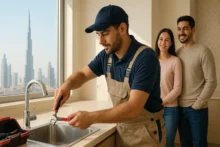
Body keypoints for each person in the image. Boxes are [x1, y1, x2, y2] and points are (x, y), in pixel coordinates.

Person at [53, 4, 165, 147]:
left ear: (122, 29)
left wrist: (91, 117)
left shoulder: (145, 57)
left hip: (147, 134)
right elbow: (82, 74)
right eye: (98, 34)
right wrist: (67, 85)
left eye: (105, 33)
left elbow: (133, 108)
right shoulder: (106, 56)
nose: (100, 41)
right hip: (122, 130)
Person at [176, 15, 217, 147]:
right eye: (179, 29)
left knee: (200, 144)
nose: (181, 32)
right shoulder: (177, 53)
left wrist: (197, 104)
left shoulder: (203, 51)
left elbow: (211, 81)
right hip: (179, 109)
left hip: (197, 110)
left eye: (185, 28)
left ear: (193, 30)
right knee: (185, 144)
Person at [155, 28, 182, 147]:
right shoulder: (152, 60)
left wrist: (162, 102)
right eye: (161, 39)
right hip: (154, 110)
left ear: (171, 43)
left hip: (170, 110)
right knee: (155, 142)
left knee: (168, 143)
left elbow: (177, 88)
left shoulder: (175, 61)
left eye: (167, 40)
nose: (163, 42)